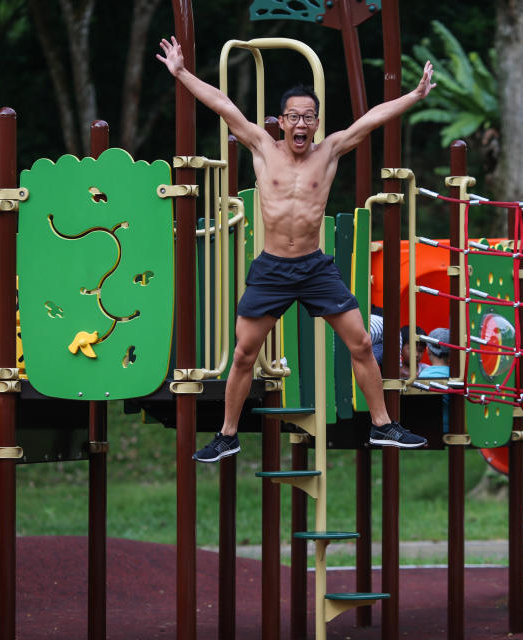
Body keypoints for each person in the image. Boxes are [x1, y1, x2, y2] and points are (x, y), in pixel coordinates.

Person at [156, 36, 435, 462]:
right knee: (244, 353)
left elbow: (371, 120)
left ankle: (383, 426)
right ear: (282, 122)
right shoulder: (262, 148)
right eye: (293, 117)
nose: (301, 124)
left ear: (317, 123)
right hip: (271, 270)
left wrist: (414, 95)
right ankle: (227, 434)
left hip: (315, 269)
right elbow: (221, 104)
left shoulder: (330, 151)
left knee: (360, 342)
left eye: (309, 117)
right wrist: (180, 72)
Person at [418, 328, 451, 433]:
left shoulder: (423, 376)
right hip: (455, 428)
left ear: (428, 350)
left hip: (428, 430)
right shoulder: (458, 376)